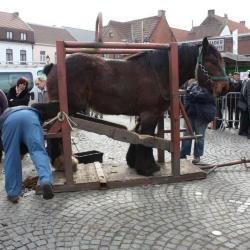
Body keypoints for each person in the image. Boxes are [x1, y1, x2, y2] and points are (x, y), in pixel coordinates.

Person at [0, 89, 54, 203]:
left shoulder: (6, 111)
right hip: (31, 117)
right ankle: (46, 180)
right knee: (38, 151)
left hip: (9, 120)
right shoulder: (33, 111)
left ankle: (13, 193)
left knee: (11, 155)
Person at [180, 81, 216, 164]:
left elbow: (206, 97)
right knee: (186, 135)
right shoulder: (193, 84)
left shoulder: (210, 85)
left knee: (199, 136)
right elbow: (187, 95)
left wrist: (193, 95)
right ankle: (183, 154)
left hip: (202, 115)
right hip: (190, 114)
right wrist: (194, 96)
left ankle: (197, 155)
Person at [238, 71, 250, 138]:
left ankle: (242, 131)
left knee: (244, 117)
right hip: (244, 102)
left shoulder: (245, 81)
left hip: (243, 102)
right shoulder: (247, 81)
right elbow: (245, 93)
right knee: (245, 118)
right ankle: (243, 131)